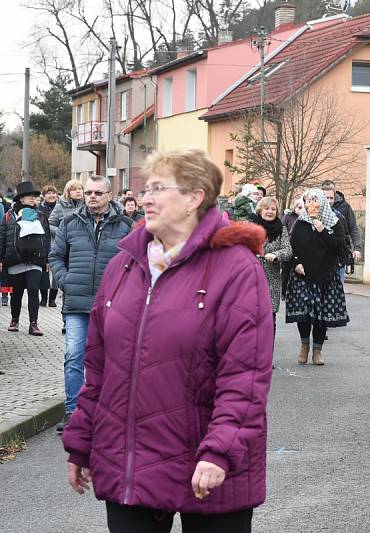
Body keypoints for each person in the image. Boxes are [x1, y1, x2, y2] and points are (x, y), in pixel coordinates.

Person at [62, 148, 273, 532]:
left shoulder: (237, 269)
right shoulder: (123, 265)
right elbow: (99, 369)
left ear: (194, 198)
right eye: (146, 189)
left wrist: (219, 451)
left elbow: (245, 378)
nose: (145, 198)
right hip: (132, 464)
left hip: (208, 466)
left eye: (159, 188)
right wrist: (82, 440)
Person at [49, 175, 134, 434]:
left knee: (112, 360)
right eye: (88, 192)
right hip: (76, 303)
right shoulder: (69, 222)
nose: (92, 197)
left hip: (113, 306)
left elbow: (137, 261)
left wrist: (125, 290)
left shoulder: (126, 226)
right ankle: (74, 412)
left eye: (98, 192)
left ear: (110, 195)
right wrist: (66, 281)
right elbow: (55, 256)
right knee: (74, 355)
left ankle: (109, 413)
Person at [285, 189, 349, 365]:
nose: (311, 205)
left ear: (322, 202)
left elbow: (339, 247)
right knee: (304, 313)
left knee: (321, 315)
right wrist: (296, 263)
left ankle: (317, 351)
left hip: (326, 275)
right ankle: (304, 346)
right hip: (303, 275)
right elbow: (292, 248)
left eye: (315, 201)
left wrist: (321, 228)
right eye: (308, 201)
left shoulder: (335, 223)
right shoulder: (300, 223)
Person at [0, 181, 51, 335]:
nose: (33, 198)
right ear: (21, 198)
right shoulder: (9, 215)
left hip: (34, 260)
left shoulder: (41, 216)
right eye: (30, 196)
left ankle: (33, 324)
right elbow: (2, 236)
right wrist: (1, 259)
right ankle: (14, 320)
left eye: (35, 196)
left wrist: (46, 259)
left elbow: (46, 238)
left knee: (34, 290)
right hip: (15, 259)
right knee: (17, 292)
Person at [252, 196, 292, 335]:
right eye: (266, 208)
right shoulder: (250, 227)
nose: (270, 211)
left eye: (273, 209)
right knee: (251, 318)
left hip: (271, 280)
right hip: (250, 278)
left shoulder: (282, 229)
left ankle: (267, 352)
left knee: (269, 319)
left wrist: (276, 255)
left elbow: (288, 251)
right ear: (260, 210)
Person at [321, 180, 362, 282]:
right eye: (326, 197)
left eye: (331, 197)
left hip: (340, 254)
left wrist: (357, 248)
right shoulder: (316, 209)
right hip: (322, 255)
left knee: (338, 290)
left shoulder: (344, 208)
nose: (329, 200)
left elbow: (353, 228)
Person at [38, 184, 60, 307]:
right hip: (43, 242)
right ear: (44, 195)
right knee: (44, 270)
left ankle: (52, 298)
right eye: (49, 193)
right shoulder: (40, 210)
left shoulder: (60, 208)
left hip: (57, 241)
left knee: (56, 271)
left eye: (53, 193)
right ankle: (44, 298)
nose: (52, 195)